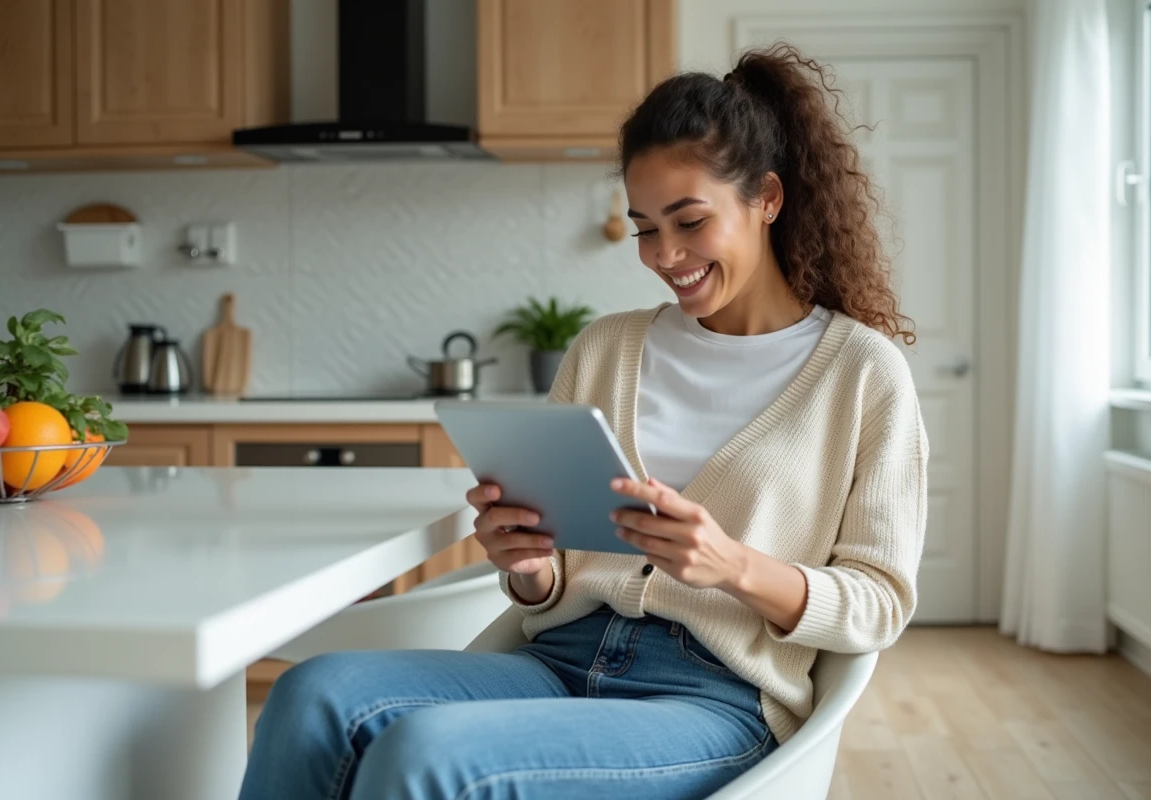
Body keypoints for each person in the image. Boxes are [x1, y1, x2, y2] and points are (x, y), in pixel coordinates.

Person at [239, 42, 928, 800]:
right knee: (311, 696)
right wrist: (530, 568)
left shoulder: (863, 373)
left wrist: (732, 565)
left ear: (766, 198)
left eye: (689, 221)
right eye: (644, 228)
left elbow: (880, 602)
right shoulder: (607, 347)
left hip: (713, 699)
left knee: (427, 756)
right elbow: (558, 575)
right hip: (557, 659)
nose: (665, 254)